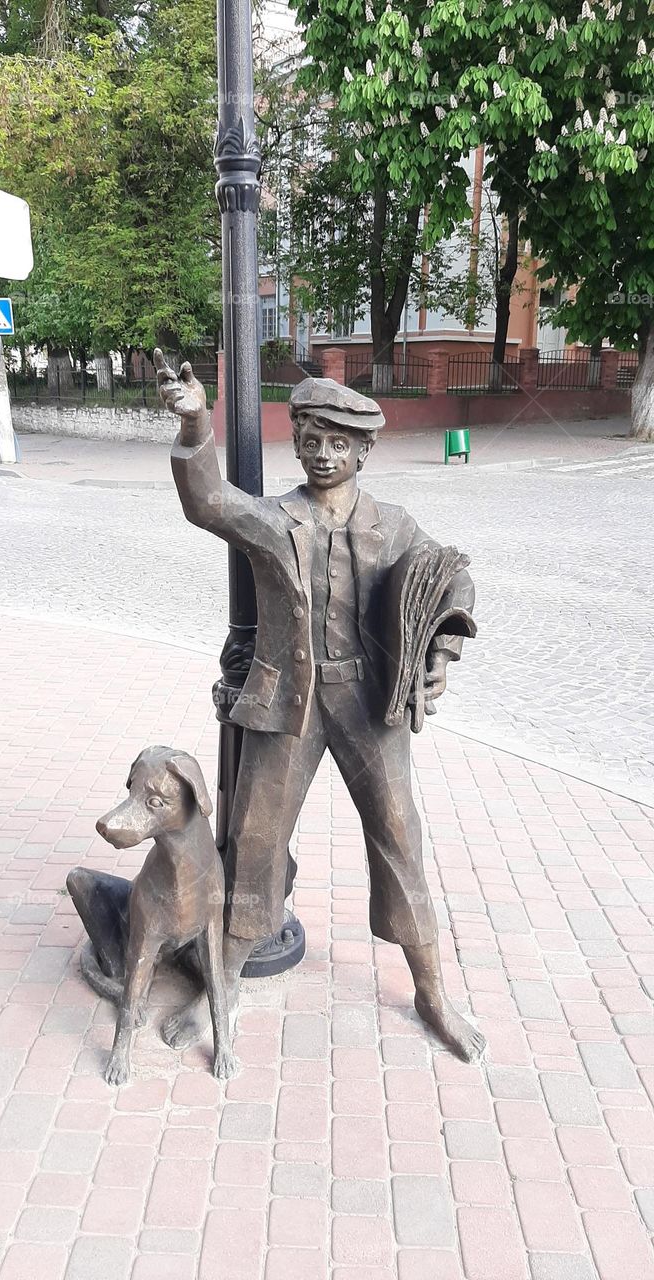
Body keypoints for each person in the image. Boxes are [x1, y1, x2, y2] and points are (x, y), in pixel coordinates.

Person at [156, 351, 485, 1061]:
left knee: (401, 837)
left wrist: (441, 654)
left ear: (364, 450)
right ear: (296, 442)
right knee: (255, 840)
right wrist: (195, 425)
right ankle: (227, 987)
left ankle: (433, 992)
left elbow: (452, 581)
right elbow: (208, 500)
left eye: (340, 443)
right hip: (288, 704)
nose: (324, 454)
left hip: (369, 703)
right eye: (311, 440)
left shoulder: (395, 524)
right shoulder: (276, 518)